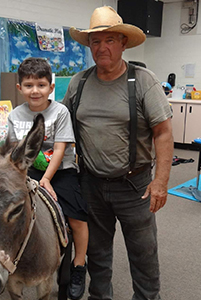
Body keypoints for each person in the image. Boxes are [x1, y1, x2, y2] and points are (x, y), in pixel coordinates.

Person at [62, 6, 173, 300]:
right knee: (97, 254)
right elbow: (62, 128)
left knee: (143, 254)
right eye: (96, 41)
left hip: (135, 186)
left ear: (123, 43)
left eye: (110, 40)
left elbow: (163, 132)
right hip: (91, 184)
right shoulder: (79, 83)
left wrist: (160, 181)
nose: (102, 47)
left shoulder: (143, 81)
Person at [7, 57, 89, 300]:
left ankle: (78, 265)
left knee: (77, 218)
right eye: (29, 85)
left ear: (51, 88)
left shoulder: (60, 111)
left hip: (60, 171)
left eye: (41, 85)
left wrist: (47, 179)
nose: (35, 91)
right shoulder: (15, 115)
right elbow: (14, 150)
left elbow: (61, 149)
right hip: (28, 172)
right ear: (19, 88)